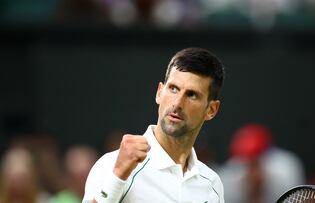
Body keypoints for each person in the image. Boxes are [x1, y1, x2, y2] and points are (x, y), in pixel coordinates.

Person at [82, 47, 226, 203]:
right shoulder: (112, 165)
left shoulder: (212, 185)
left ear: (211, 110)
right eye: (173, 88)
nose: (177, 103)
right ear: (159, 92)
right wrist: (118, 176)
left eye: (191, 95)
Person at [217, 123, 305, 203]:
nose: (252, 166)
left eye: (256, 156)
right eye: (247, 158)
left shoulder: (286, 167)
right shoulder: (226, 178)